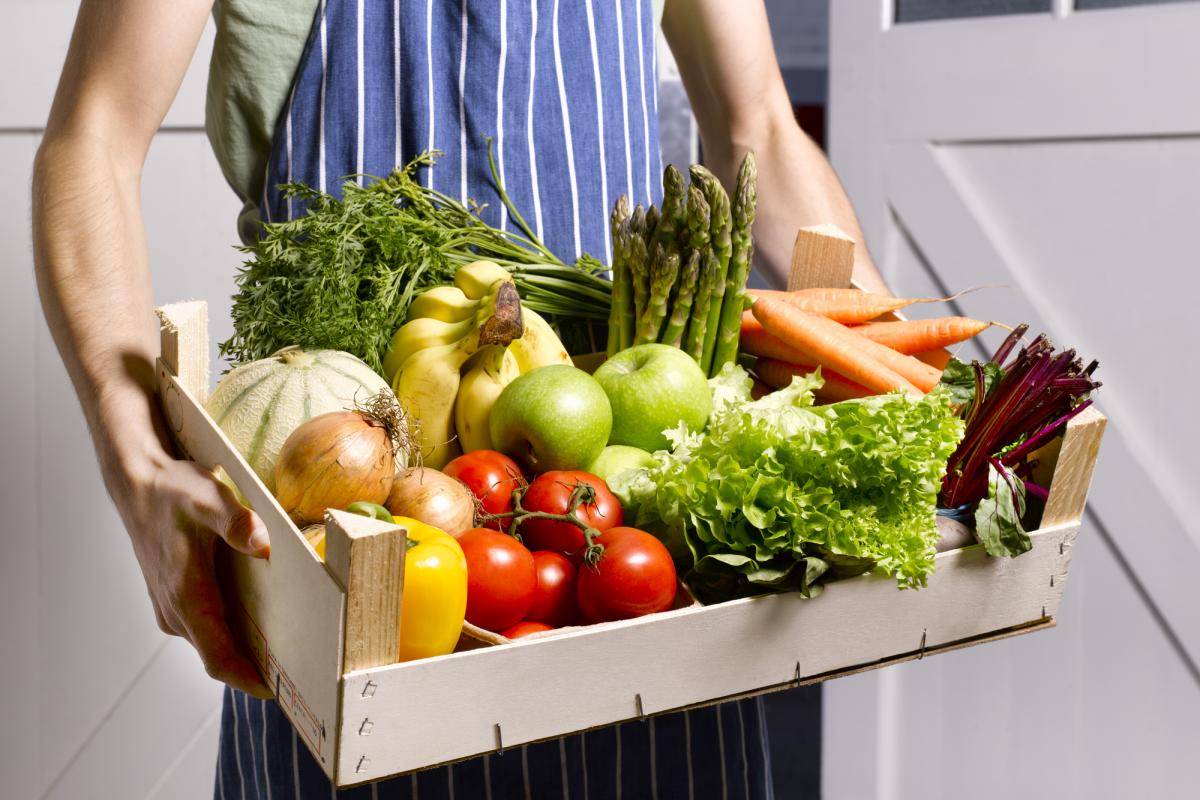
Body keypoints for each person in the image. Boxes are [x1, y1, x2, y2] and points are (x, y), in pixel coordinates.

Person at [32, 0, 885, 797]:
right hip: (341, 561)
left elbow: (760, 127)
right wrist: (130, 453)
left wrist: (886, 366)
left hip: (616, 560)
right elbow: (94, 137)